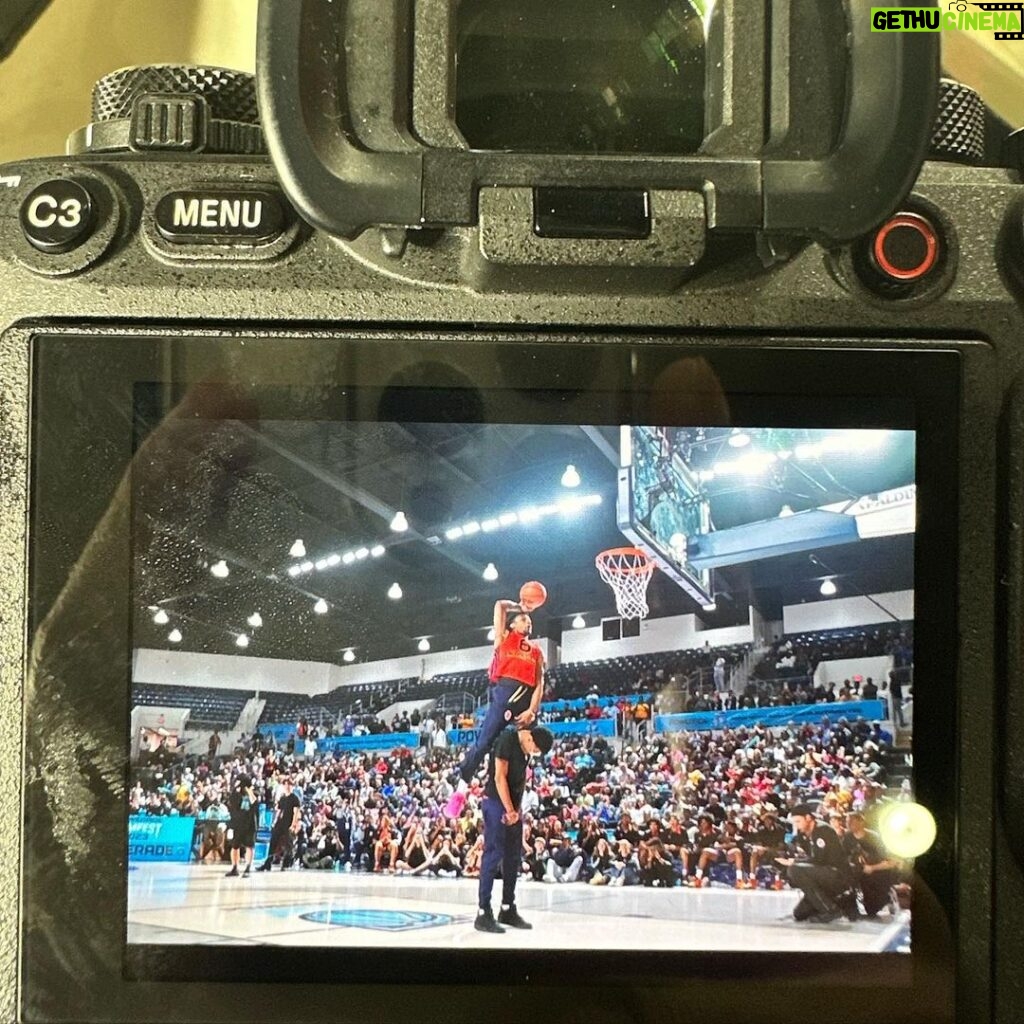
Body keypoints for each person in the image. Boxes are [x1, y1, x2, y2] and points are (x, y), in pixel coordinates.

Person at [446, 598, 545, 818]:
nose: (528, 622)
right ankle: (461, 790)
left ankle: (512, 804)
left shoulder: (537, 651)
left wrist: (532, 710)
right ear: (512, 625)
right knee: (483, 743)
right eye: (523, 619)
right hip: (505, 694)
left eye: (529, 620)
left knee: (523, 753)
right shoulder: (503, 639)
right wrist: (521, 607)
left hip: (526, 699)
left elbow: (540, 683)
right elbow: (500, 605)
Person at [475, 725, 554, 933]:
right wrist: (509, 810)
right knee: (493, 855)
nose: (534, 753)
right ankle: (483, 911)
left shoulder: (526, 752)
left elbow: (519, 783)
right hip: (495, 801)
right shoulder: (507, 739)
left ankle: (507, 907)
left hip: (513, 806)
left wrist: (516, 811)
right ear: (529, 738)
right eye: (535, 749)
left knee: (513, 857)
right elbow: (499, 777)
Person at [776, 803, 853, 923]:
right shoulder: (803, 836)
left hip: (837, 874)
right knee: (799, 914)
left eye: (798, 821)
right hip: (822, 875)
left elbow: (819, 859)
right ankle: (835, 903)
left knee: (795, 869)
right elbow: (811, 859)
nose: (796, 826)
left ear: (808, 818)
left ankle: (831, 910)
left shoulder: (823, 830)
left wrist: (794, 862)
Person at [256, 776, 301, 871]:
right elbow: (279, 811)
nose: (287, 786)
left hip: (288, 823)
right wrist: (275, 821)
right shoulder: (283, 798)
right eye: (286, 784)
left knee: (288, 844)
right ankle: (268, 863)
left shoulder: (295, 798)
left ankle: (286, 864)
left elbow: (296, 812)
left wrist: (293, 824)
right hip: (280, 823)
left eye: (289, 784)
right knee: (273, 841)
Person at [224, 770, 258, 878]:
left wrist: (248, 790)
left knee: (249, 846)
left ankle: (248, 867)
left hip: (250, 823)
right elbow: (232, 804)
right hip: (237, 823)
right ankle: (234, 867)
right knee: (235, 846)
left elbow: (254, 801)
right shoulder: (235, 793)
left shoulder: (253, 793)